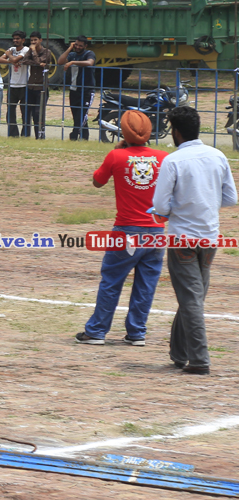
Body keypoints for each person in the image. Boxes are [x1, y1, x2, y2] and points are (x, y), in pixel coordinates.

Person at [151, 106, 238, 375]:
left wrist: (175, 209)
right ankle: (179, 353)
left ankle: (199, 359)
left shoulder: (173, 161)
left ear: (176, 132)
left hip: (182, 239)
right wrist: (205, 203)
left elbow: (160, 205)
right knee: (193, 296)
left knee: (190, 299)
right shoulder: (217, 155)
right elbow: (231, 198)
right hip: (209, 238)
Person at [75, 111, 168, 347]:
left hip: (126, 230)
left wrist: (119, 152)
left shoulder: (116, 156)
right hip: (156, 231)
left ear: (124, 133)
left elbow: (98, 181)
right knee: (146, 284)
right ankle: (137, 332)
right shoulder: (164, 157)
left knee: (112, 280)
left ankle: (97, 331)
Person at [58, 35, 96, 140]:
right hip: (74, 90)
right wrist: (69, 48)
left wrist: (73, 62)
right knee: (76, 115)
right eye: (76, 45)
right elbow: (60, 61)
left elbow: (90, 63)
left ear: (85, 46)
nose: (78, 47)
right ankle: (84, 137)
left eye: (80, 46)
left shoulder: (89, 54)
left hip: (87, 90)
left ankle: (74, 136)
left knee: (82, 115)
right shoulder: (72, 54)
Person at [22, 33, 53, 139]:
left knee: (38, 113)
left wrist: (34, 53)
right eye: (31, 40)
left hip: (41, 87)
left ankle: (40, 136)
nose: (33, 42)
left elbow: (41, 61)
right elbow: (24, 61)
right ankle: (26, 136)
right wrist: (37, 63)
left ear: (40, 40)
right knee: (27, 112)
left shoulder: (47, 52)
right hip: (31, 86)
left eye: (35, 40)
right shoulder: (30, 51)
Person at [3, 31, 31, 137]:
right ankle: (13, 134)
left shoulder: (26, 50)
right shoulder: (12, 49)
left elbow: (15, 58)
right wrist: (11, 61)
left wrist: (9, 56)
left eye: (18, 38)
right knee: (10, 111)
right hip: (12, 84)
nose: (15, 40)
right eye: (14, 38)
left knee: (25, 112)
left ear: (23, 40)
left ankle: (25, 135)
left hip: (24, 85)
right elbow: (0, 59)